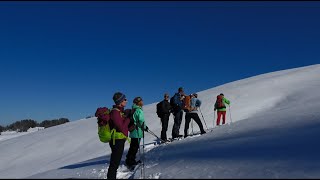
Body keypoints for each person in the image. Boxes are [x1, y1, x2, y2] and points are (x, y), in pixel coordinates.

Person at [107, 92, 131, 179]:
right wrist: (128, 118)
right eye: (125, 99)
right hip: (116, 141)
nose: (126, 101)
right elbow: (121, 127)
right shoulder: (115, 112)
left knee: (115, 163)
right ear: (120, 101)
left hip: (119, 139)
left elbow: (123, 126)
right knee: (114, 163)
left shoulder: (120, 111)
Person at [125, 96, 149, 170]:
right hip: (137, 131)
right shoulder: (139, 110)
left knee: (132, 147)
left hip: (133, 131)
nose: (142, 102)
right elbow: (141, 121)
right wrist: (145, 127)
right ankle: (131, 161)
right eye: (141, 101)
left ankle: (128, 160)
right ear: (138, 102)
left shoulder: (133, 109)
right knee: (135, 147)